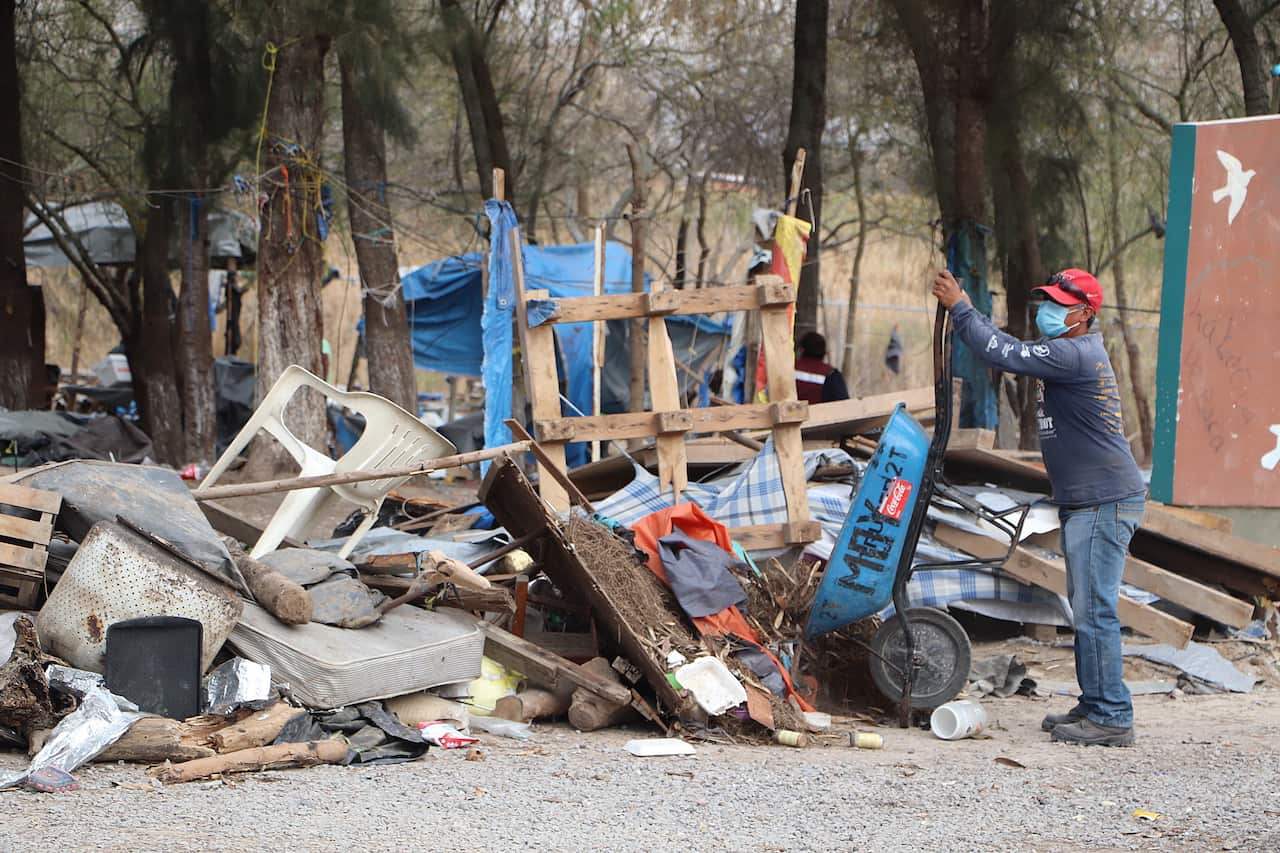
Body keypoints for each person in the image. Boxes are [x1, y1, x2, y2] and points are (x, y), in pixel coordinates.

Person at [931, 268, 1146, 747]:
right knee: (1087, 607)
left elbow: (1002, 351)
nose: (1048, 310)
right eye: (1047, 300)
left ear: (1085, 314)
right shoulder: (1071, 352)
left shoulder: (1074, 353)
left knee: (1095, 611)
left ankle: (1111, 714)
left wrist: (961, 308)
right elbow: (1008, 346)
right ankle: (1096, 703)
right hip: (1089, 501)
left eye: (1059, 303)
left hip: (1103, 503)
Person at [794, 331, 850, 403]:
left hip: (790, 413)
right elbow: (843, 404)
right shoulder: (831, 374)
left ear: (802, 349)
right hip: (821, 413)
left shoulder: (791, 369)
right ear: (823, 351)